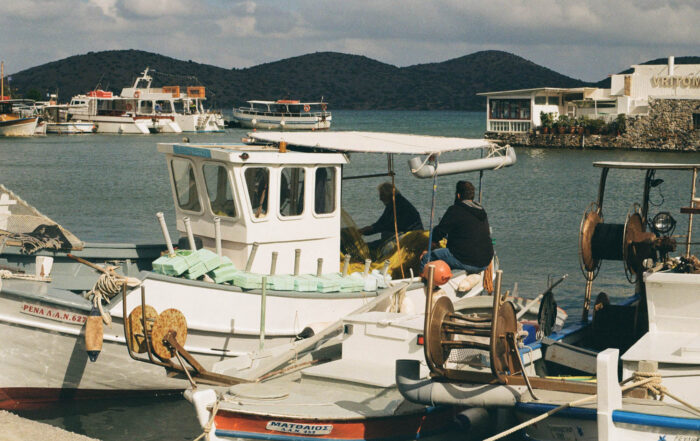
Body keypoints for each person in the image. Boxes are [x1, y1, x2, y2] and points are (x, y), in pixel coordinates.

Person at [421, 180, 493, 273]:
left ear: (458, 195)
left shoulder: (455, 210)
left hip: (466, 260)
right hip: (485, 261)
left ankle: (425, 280)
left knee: (426, 258)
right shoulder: (481, 210)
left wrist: (429, 247)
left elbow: (439, 232)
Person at [359, 183, 423, 246]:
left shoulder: (398, 205)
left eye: (382, 195)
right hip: (403, 234)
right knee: (372, 243)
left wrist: (368, 230)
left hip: (409, 236)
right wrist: (367, 230)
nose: (380, 198)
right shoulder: (394, 203)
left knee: (372, 244)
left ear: (388, 194)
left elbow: (387, 225)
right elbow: (381, 222)